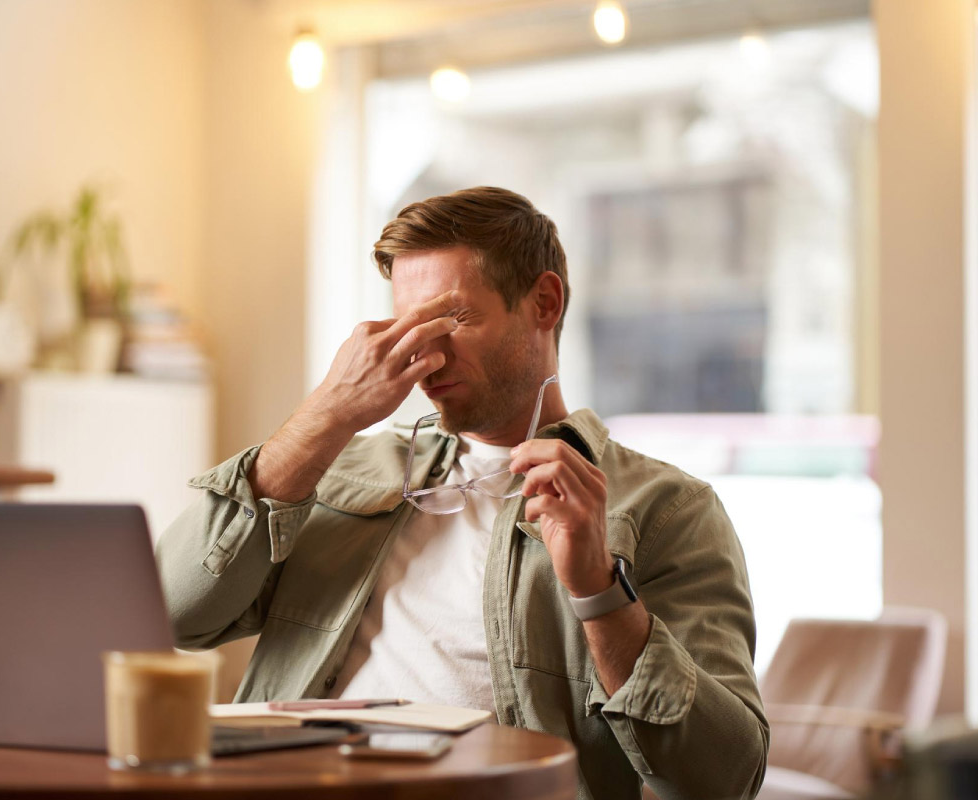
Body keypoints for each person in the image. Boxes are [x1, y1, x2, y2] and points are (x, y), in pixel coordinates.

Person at [157, 186, 768, 800]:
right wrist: (326, 415)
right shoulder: (337, 467)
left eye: (452, 318)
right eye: (405, 325)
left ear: (544, 304)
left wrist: (599, 591)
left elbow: (724, 780)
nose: (423, 352)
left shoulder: (664, 509)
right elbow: (177, 614)